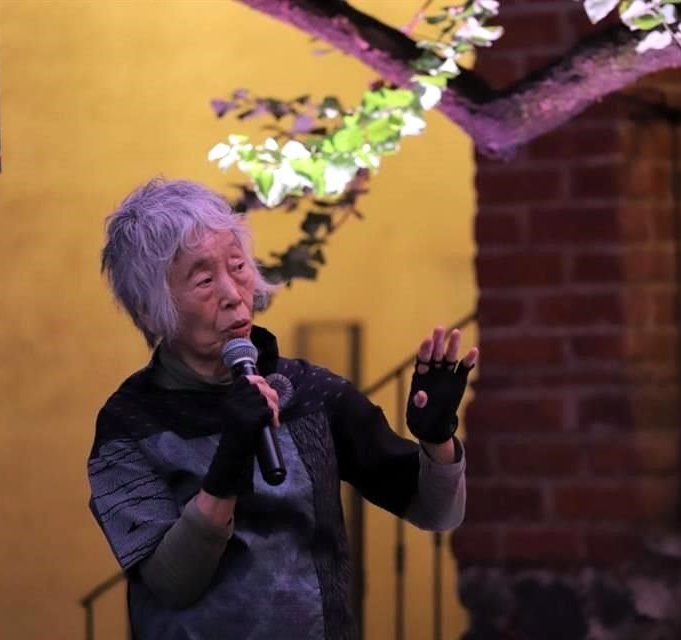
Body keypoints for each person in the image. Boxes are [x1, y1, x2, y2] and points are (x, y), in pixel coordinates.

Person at [87, 177, 478, 640]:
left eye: (238, 266)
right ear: (153, 311)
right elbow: (173, 583)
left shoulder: (312, 393)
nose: (233, 292)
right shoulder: (128, 426)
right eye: (204, 279)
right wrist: (230, 458)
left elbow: (437, 514)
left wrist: (436, 441)